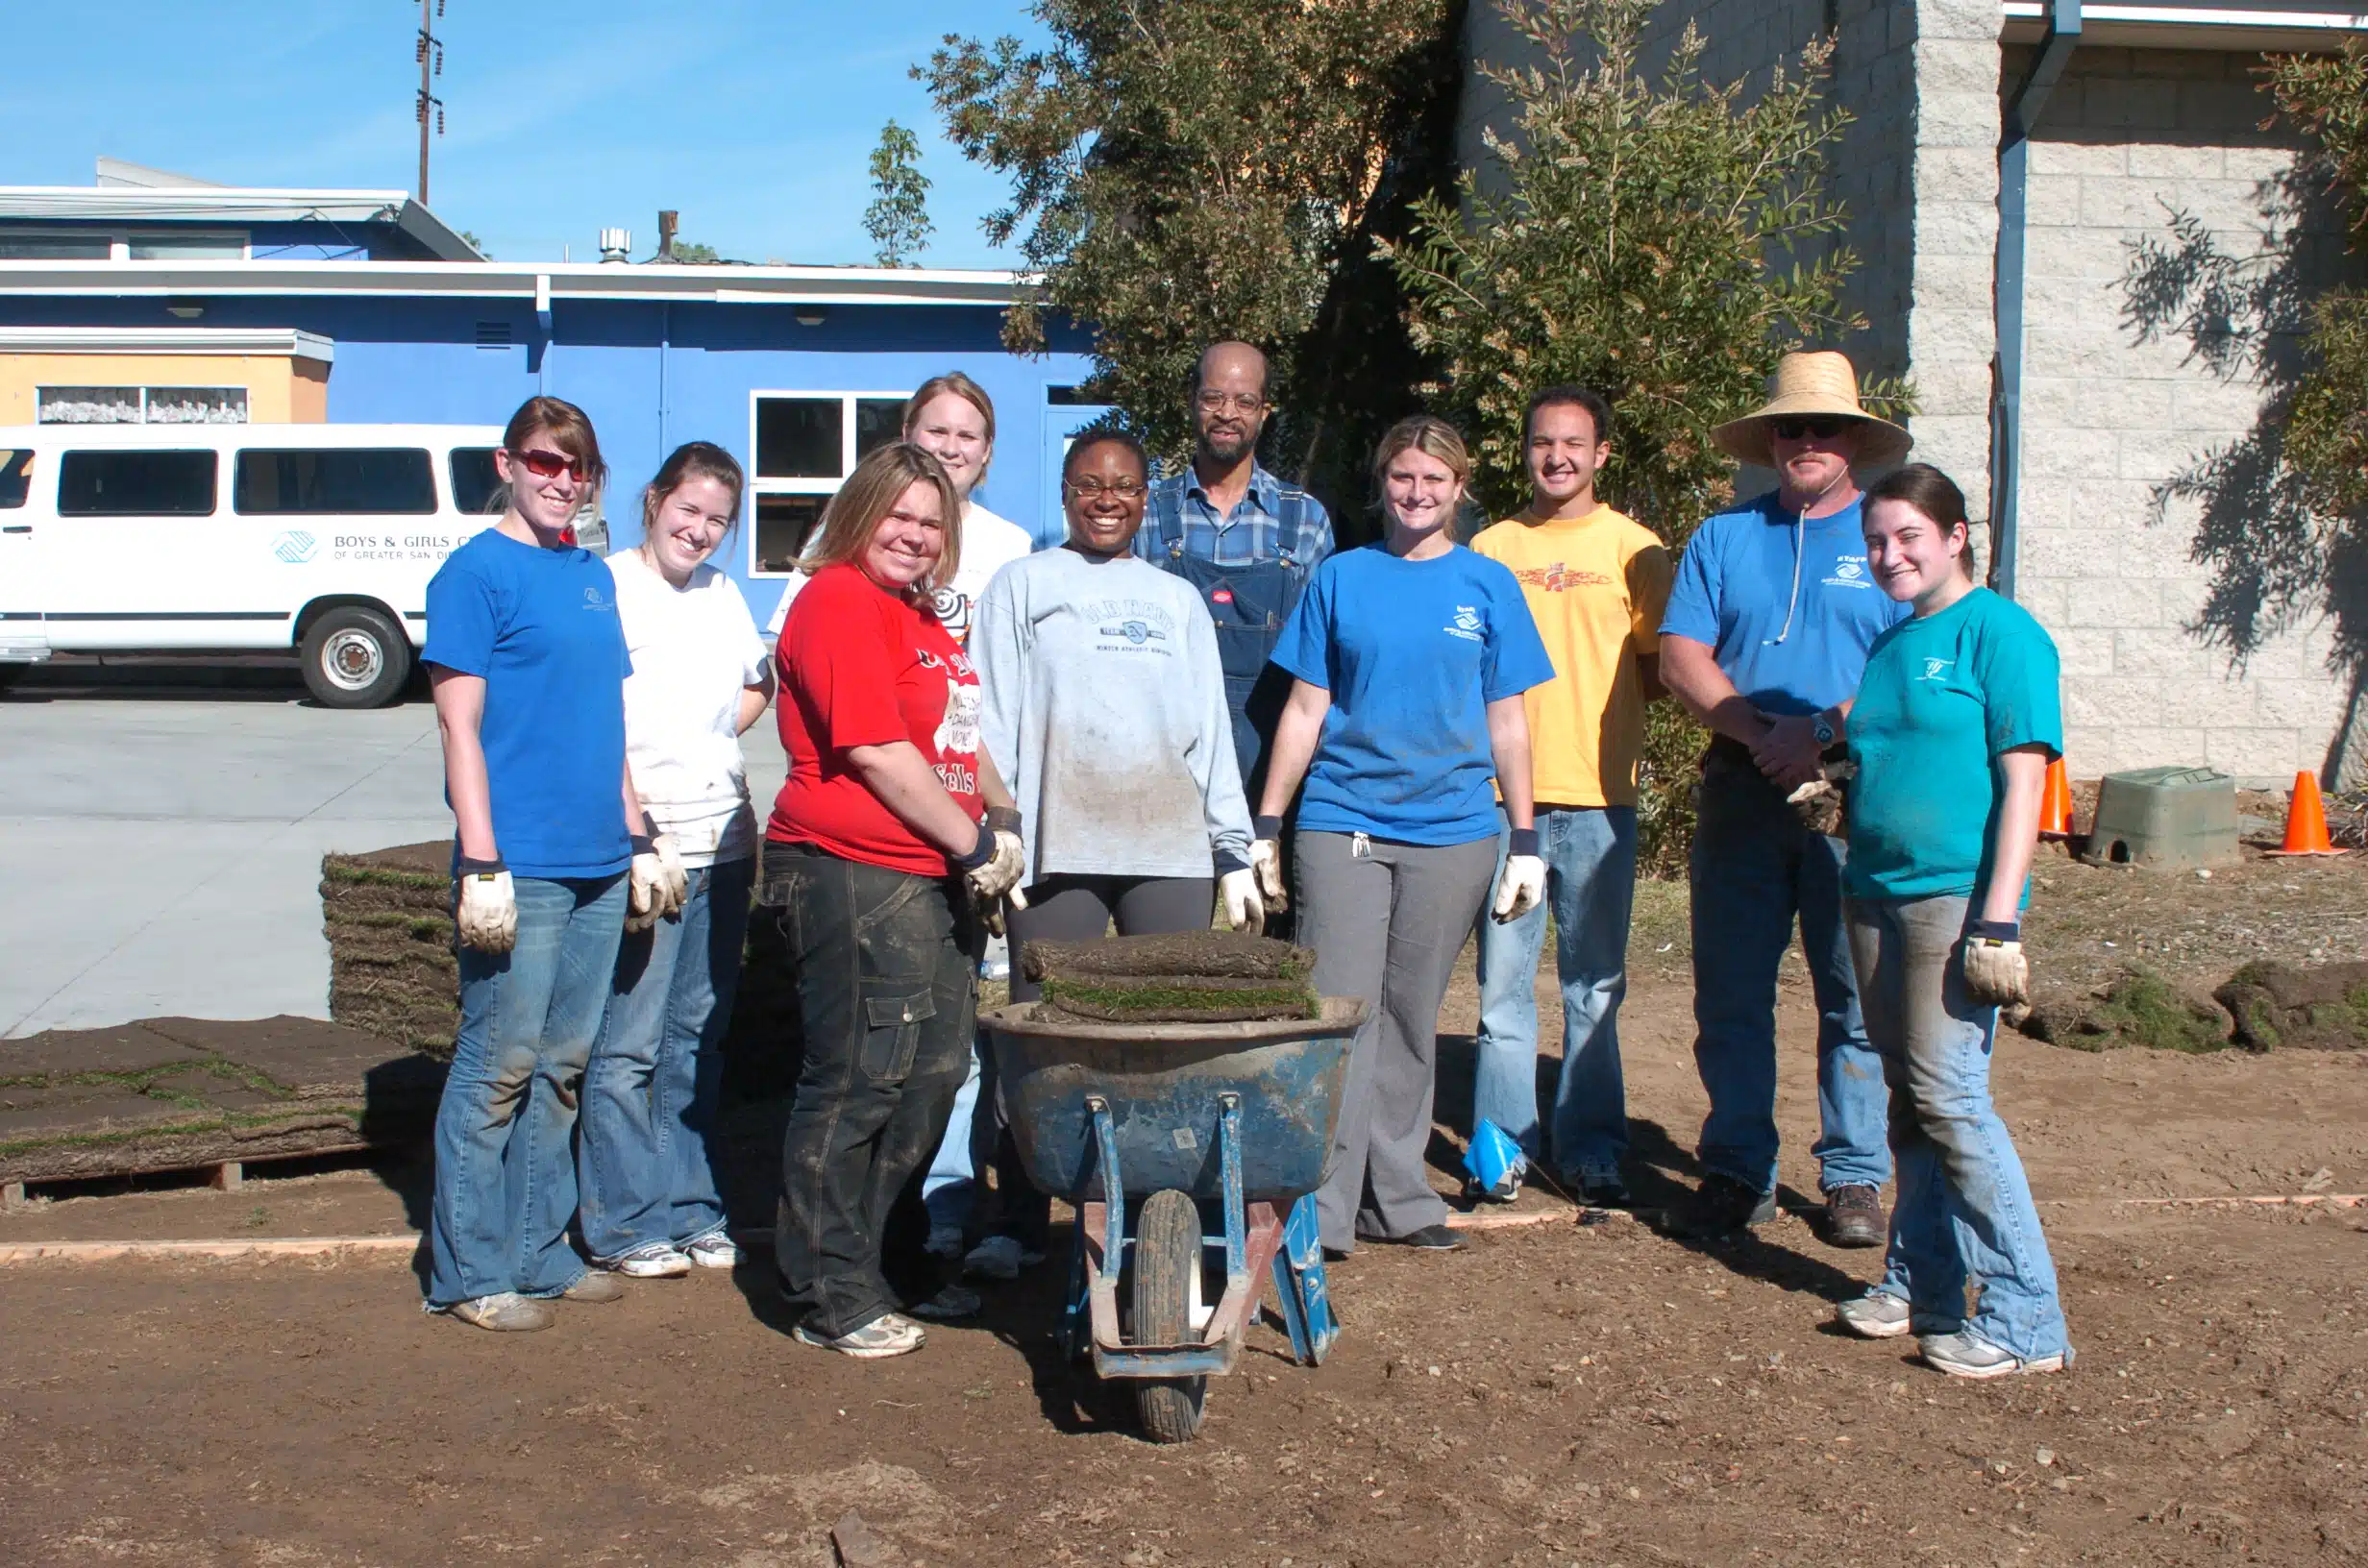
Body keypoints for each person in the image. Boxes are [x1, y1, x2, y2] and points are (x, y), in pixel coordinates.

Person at [961, 428, 1265, 1279]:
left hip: (1168, 847)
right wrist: (1003, 824)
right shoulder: (1023, 586)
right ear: (1064, 491)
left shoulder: (1174, 600)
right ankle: (1016, 1223)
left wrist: (1233, 852)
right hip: (1058, 847)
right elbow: (991, 714)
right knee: (1040, 1032)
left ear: (1144, 499)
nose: (1106, 498)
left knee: (1169, 1035)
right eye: (1089, 483)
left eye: (1124, 486)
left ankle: (1159, 1220)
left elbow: (1210, 732)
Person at [1252, 417, 1556, 1257]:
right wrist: (1268, 826)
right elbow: (1305, 709)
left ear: (1460, 488)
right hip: (1343, 819)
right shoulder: (1342, 578)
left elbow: (1509, 723)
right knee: (1341, 1011)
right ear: (1381, 483)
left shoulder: (1489, 586)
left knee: (1412, 1013)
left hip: (1455, 830)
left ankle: (1400, 1193)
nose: (1416, 493)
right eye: (1401, 477)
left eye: (1434, 479)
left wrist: (1524, 838)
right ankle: (1324, 1204)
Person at [421, 395, 685, 1333]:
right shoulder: (472, 576)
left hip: (598, 862)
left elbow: (603, 725)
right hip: (519, 864)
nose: (560, 482)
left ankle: (541, 1249)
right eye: (543, 463)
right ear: (507, 462)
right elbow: (459, 727)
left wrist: (640, 833)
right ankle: (471, 1269)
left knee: (564, 1066)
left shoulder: (589, 578)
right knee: (499, 1064)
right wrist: (480, 861)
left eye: (576, 468)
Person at [761, 374, 1036, 1268]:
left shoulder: (919, 615)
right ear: (861, 514)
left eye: (930, 524)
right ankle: (828, 1288)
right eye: (899, 518)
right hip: (850, 866)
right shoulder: (837, 597)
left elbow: (960, 735)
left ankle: (894, 1261)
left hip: (929, 871)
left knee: (930, 1075)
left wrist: (998, 814)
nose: (914, 535)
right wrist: (974, 847)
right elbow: (876, 751)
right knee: (857, 1082)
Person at [1657, 351, 1910, 1244]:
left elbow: (1910, 662)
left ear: (1853, 442)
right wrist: (1758, 732)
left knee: (1856, 993)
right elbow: (1682, 655)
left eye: (1823, 427)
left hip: (1852, 796)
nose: (1805, 441)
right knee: (1731, 991)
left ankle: (1852, 1178)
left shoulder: (1889, 539)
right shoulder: (1724, 537)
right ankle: (1736, 1168)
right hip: (1741, 787)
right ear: (1770, 441)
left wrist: (1823, 732)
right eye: (1790, 427)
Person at [1829, 464, 2070, 1377]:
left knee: (1951, 1100)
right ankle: (1921, 1283)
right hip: (1874, 891)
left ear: (1956, 535)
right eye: (1877, 542)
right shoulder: (1894, 643)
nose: (1890, 556)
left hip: (1952, 899)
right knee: (1910, 1105)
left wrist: (1998, 919)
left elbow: (2024, 784)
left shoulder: (2001, 635)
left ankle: (2026, 1317)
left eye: (1908, 539)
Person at [1466, 387, 1672, 1209]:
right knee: (1501, 989)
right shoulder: (1490, 547)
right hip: (1501, 803)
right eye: (1542, 443)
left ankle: (1589, 1149)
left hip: (1597, 802)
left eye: (1574, 444)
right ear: (1525, 451)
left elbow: (1659, 670)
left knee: (1593, 985)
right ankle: (1503, 1147)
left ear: (1602, 455)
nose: (1557, 457)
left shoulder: (1637, 550)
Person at [579, 442, 775, 1279]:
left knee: (700, 1033)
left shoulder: (725, 595)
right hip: (647, 845)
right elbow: (590, 712)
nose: (698, 531)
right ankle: (624, 1221)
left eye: (717, 521)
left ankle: (691, 1207)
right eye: (687, 510)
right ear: (654, 500)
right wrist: (638, 817)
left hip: (723, 841)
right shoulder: (609, 587)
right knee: (629, 1041)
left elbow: (758, 684)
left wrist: (705, 743)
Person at [1138, 342, 1334, 870]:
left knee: (1278, 939)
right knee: (1173, 931)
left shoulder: (1305, 520)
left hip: (1272, 752)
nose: (1228, 413)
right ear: (1191, 402)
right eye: (1213, 398)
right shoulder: (1148, 514)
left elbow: (1322, 657)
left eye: (1244, 401)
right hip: (1169, 753)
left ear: (1265, 411)